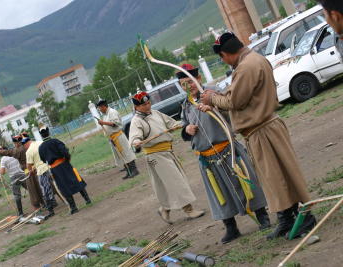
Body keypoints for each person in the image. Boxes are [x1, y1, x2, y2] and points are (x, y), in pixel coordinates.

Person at [199, 32, 316, 240]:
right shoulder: (253, 60)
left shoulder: (246, 67)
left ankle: (303, 218)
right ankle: (286, 218)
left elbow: (235, 102)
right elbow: (238, 97)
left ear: (226, 53)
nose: (223, 61)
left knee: (280, 176)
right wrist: (214, 101)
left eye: (222, 57)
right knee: (274, 178)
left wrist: (212, 99)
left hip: (263, 130)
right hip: (262, 129)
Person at [177, 64, 270, 243]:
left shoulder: (213, 92)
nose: (189, 86)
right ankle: (231, 227)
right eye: (183, 84)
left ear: (199, 79)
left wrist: (213, 108)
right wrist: (186, 129)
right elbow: (184, 127)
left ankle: (262, 216)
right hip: (206, 157)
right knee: (219, 192)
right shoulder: (186, 105)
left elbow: (232, 109)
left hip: (228, 149)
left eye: (191, 81)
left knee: (246, 182)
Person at [128, 91, 205, 224]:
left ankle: (164, 209)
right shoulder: (136, 121)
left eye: (148, 103)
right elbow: (135, 138)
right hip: (155, 155)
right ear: (136, 107)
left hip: (168, 151)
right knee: (176, 181)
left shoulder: (156, 113)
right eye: (144, 105)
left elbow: (171, 123)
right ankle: (189, 210)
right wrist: (136, 143)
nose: (147, 106)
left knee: (170, 183)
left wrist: (183, 125)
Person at [38, 125, 91, 215]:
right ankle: (87, 199)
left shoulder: (41, 147)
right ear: (48, 132)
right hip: (65, 164)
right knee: (76, 180)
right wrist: (67, 159)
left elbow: (43, 160)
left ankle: (74, 207)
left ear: (41, 135)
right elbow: (65, 151)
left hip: (55, 169)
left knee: (63, 187)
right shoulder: (56, 141)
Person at [0, 135, 44, 210]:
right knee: (38, 187)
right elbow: (9, 152)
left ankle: (33, 208)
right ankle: (44, 202)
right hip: (32, 171)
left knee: (31, 190)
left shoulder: (18, 151)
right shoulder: (26, 147)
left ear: (16, 143)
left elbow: (8, 153)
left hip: (26, 173)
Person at [96, 99, 139, 179]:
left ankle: (134, 170)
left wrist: (103, 123)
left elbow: (115, 124)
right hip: (113, 138)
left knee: (126, 153)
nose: (99, 110)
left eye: (100, 108)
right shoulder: (105, 115)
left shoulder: (112, 112)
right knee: (121, 155)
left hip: (118, 136)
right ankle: (128, 171)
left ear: (103, 106)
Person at [22, 132, 57, 218]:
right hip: (50, 166)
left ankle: (50, 209)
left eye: (24, 146)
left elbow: (28, 165)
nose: (24, 147)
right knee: (54, 184)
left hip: (42, 171)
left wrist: (30, 171)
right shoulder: (40, 142)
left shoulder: (29, 151)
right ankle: (53, 201)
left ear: (26, 143)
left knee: (45, 189)